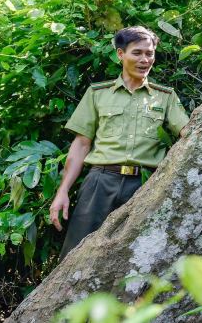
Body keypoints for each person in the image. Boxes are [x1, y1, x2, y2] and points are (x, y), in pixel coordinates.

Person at [49, 26, 189, 260]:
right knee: (77, 256)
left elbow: (188, 133)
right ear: (120, 54)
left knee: (137, 258)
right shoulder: (98, 93)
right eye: (137, 53)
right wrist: (62, 191)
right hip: (100, 182)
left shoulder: (165, 96)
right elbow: (81, 144)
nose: (145, 60)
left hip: (145, 185)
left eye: (150, 53)